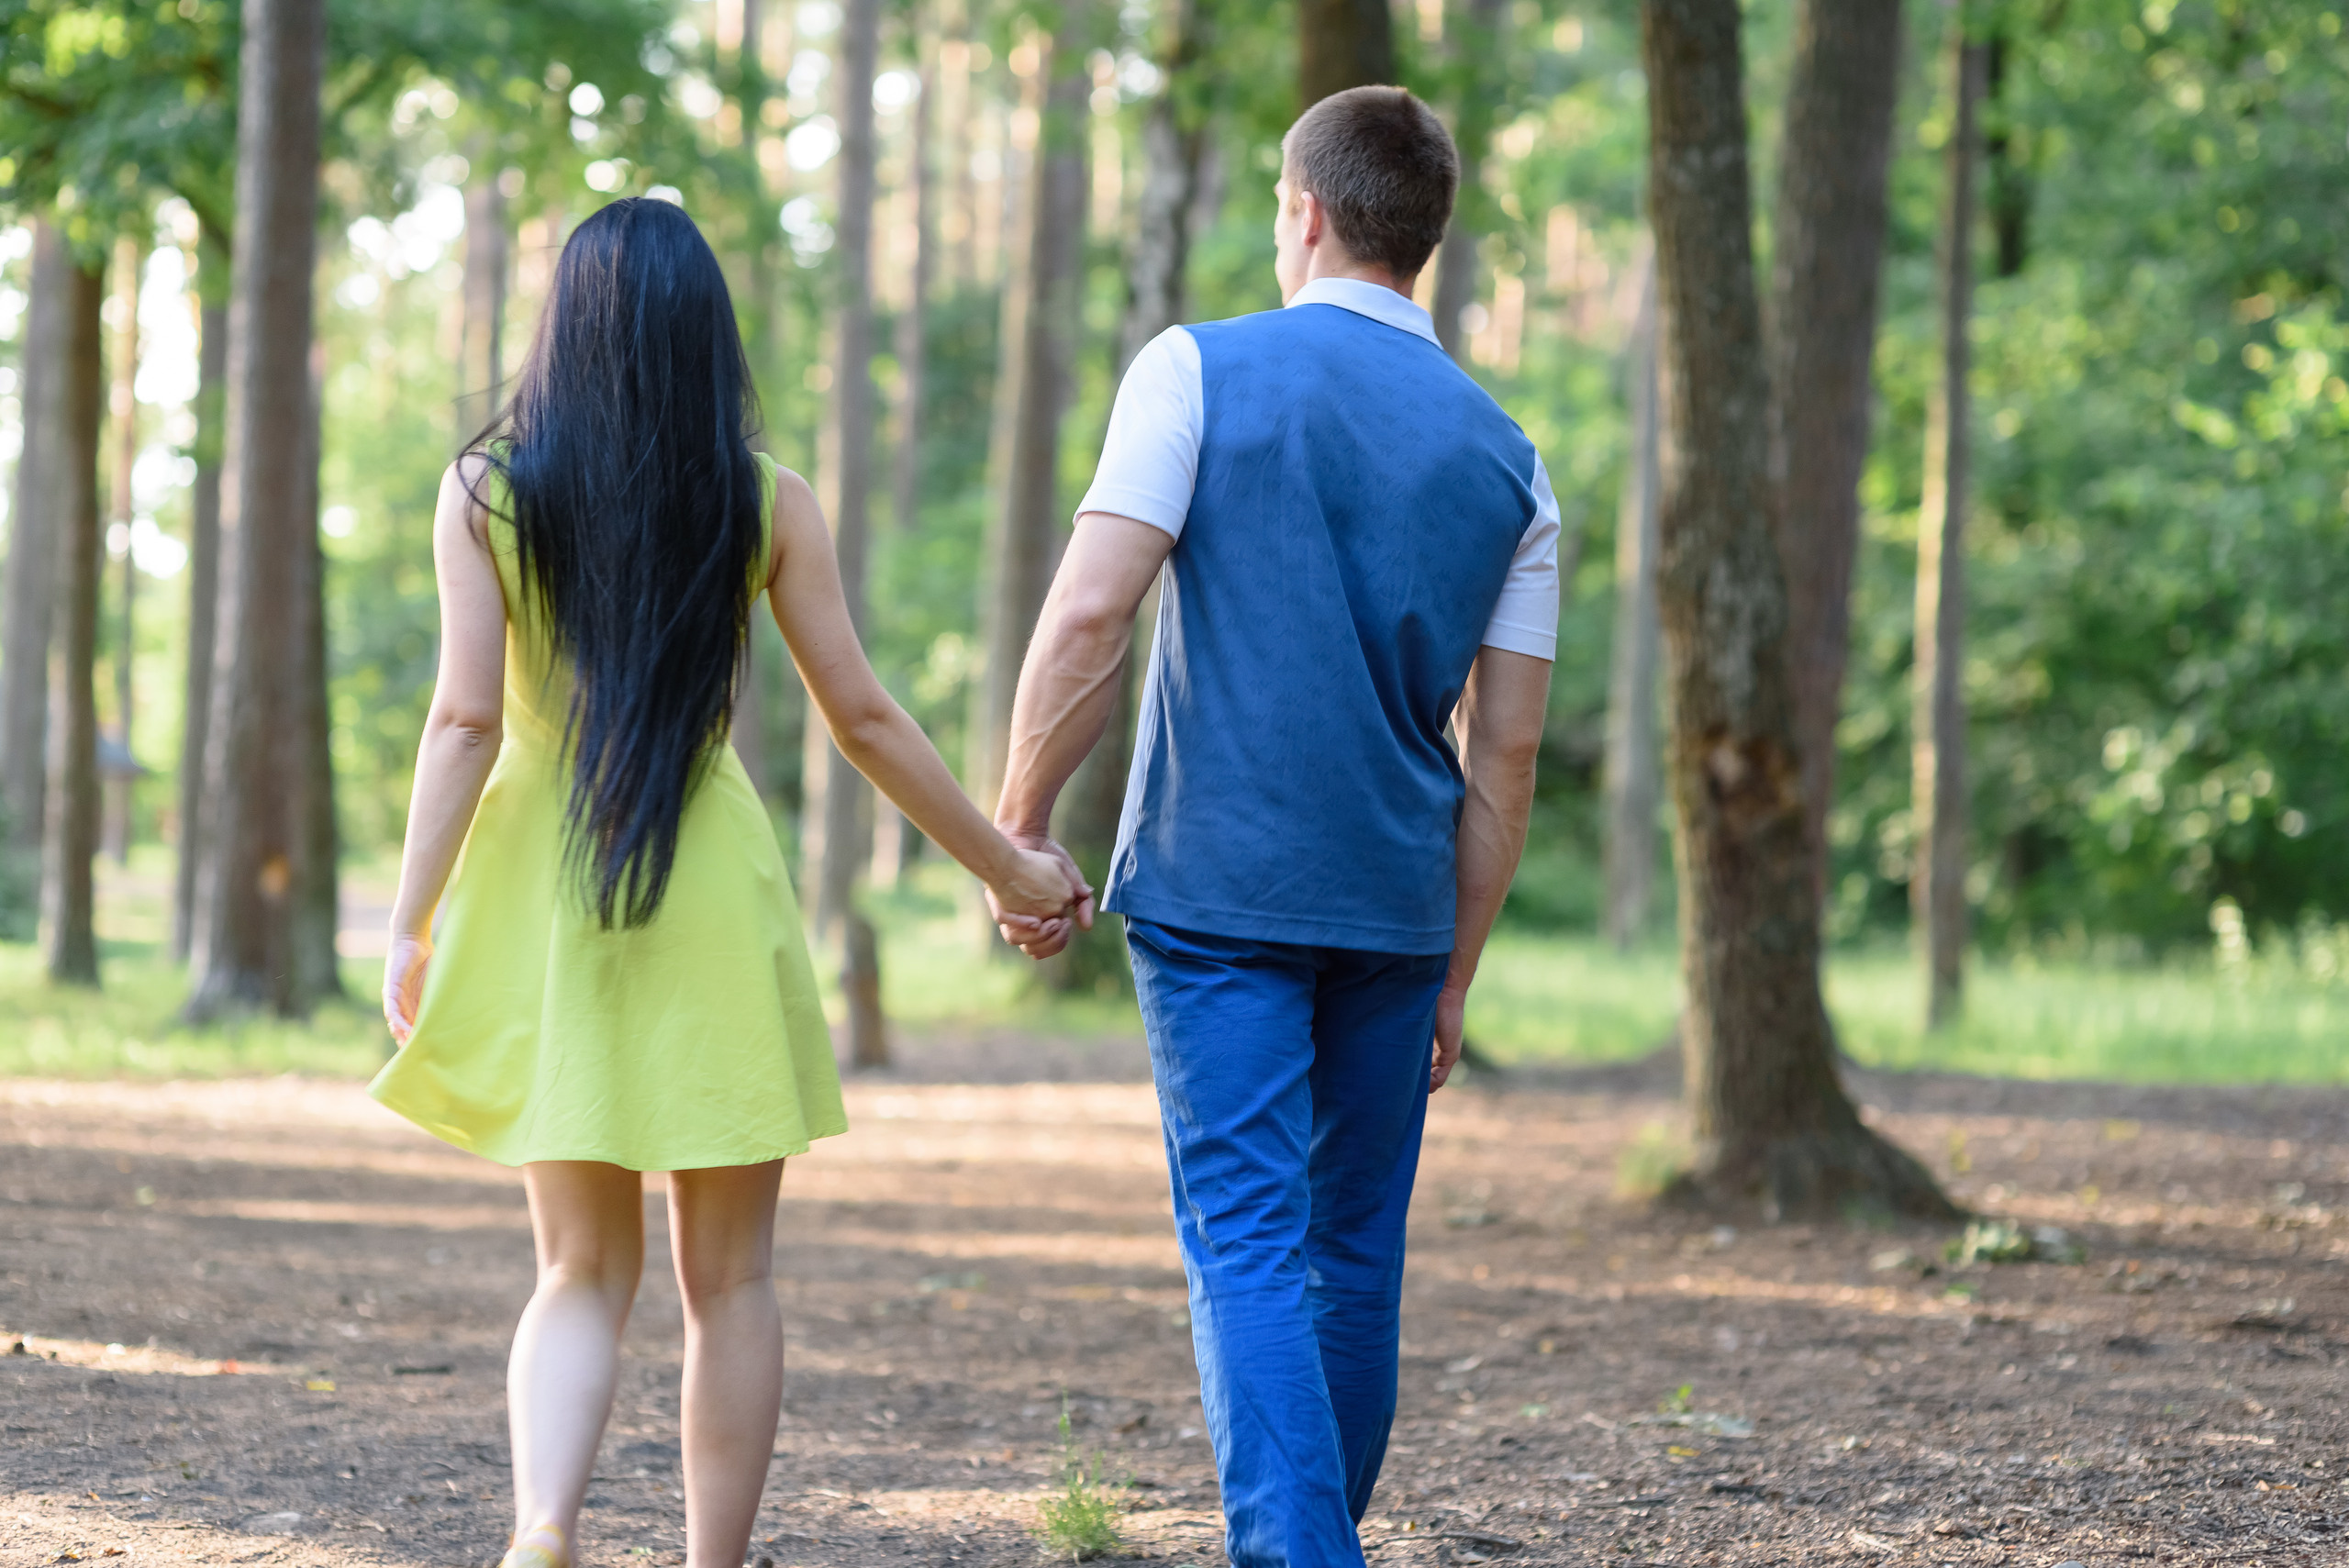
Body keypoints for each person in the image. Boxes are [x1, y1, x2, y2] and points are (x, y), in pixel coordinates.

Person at [372, 197, 1078, 1568]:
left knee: (576, 1266)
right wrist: (1012, 865)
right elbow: (864, 716)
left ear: (563, 330)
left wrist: (413, 915)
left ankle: (545, 1525)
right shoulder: (761, 498)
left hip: (553, 896)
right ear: (709, 339)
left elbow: (463, 722)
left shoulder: (487, 491)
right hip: (709, 891)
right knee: (731, 1277)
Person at [985, 87, 1558, 1568]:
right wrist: (1457, 969)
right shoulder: (1511, 460)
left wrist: (1019, 826)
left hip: (1219, 886)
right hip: (1394, 905)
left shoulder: (1195, 370)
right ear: (1423, 239)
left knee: (1245, 1240)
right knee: (1352, 1251)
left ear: (1304, 211)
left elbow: (1091, 613)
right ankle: (1314, 1537)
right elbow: (1506, 755)